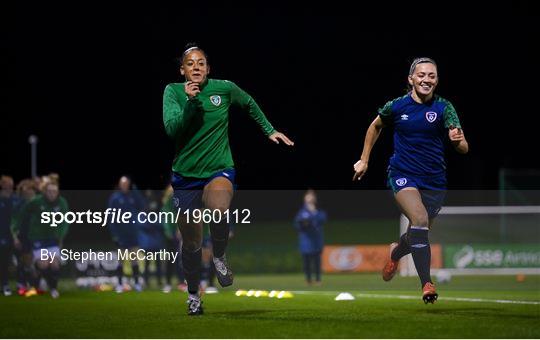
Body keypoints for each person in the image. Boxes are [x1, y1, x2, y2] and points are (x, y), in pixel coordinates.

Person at [163, 43, 294, 315]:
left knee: (220, 211)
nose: (196, 67)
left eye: (201, 63)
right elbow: (173, 130)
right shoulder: (173, 92)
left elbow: (248, 102)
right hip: (185, 178)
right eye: (190, 63)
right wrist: (189, 102)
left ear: (208, 68)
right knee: (191, 244)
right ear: (182, 70)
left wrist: (269, 130)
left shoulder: (224, 88)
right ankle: (193, 296)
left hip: (218, 169)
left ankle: (220, 255)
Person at [352, 57, 468, 303]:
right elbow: (375, 127)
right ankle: (427, 283)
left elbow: (464, 148)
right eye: (422, 75)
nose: (426, 79)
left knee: (418, 232)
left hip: (435, 180)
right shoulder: (397, 106)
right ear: (411, 79)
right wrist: (364, 160)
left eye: (432, 76)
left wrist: (458, 141)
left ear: (437, 80)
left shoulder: (444, 108)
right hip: (403, 174)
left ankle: (395, 252)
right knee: (420, 219)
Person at [16, 181, 70, 298]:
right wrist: (17, 230)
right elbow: (22, 213)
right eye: (49, 191)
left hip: (52, 239)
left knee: (54, 264)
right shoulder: (36, 201)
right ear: (45, 192)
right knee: (44, 265)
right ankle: (37, 281)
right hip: (37, 238)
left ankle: (53, 289)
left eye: (54, 191)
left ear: (57, 192)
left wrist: (60, 235)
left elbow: (65, 221)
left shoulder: (62, 203)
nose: (52, 194)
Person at [108, 176, 146, 292]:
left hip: (132, 233)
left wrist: (135, 190)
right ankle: (119, 284)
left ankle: (137, 283)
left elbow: (142, 206)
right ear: (119, 185)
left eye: (127, 184)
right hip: (121, 234)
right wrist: (114, 234)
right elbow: (111, 217)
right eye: (122, 184)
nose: (125, 186)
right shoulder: (115, 198)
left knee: (134, 258)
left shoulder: (133, 196)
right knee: (121, 259)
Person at [294, 189, 326, 286]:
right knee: (306, 262)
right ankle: (308, 280)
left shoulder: (318, 211)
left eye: (312, 197)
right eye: (308, 197)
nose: (310, 199)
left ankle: (318, 280)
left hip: (316, 240)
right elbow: (296, 225)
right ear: (305, 199)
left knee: (317, 261)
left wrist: (313, 214)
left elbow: (323, 219)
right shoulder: (301, 212)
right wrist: (304, 223)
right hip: (306, 241)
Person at [0, 175, 15, 296]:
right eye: (7, 183)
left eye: (11, 183)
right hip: (2, 234)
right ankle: (4, 284)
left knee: (8, 261)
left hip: (13, 236)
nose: (9, 186)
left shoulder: (15, 199)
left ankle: (6, 284)